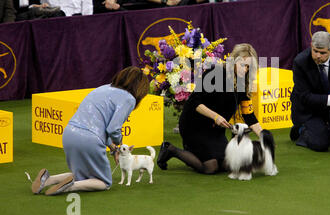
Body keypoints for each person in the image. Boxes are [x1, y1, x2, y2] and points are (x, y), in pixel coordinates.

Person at [31, 66, 149, 196]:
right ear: (140, 89)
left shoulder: (103, 88)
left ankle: (47, 180)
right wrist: (120, 144)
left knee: (84, 174)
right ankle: (70, 187)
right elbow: (113, 128)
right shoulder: (129, 99)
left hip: (69, 133)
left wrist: (113, 148)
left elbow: (102, 125)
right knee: (104, 182)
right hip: (90, 139)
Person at [157, 43, 264, 174]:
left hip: (215, 130)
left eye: (248, 67)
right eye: (243, 65)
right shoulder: (216, 72)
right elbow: (194, 101)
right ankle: (171, 150)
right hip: (194, 124)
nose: (245, 70)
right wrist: (215, 116)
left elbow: (249, 115)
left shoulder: (243, 83)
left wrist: (264, 137)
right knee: (211, 167)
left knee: (227, 165)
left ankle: (196, 151)